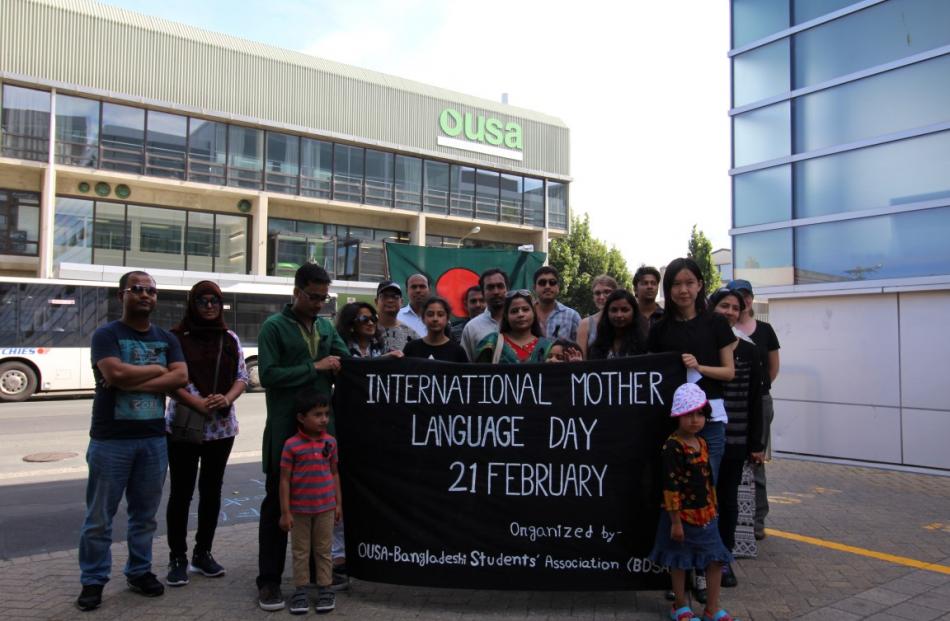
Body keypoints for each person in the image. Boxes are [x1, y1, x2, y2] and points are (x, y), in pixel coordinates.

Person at [76, 271, 188, 612]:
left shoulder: (166, 337)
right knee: (99, 517)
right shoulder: (106, 334)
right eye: (137, 289)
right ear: (122, 295)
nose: (145, 295)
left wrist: (133, 380)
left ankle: (139, 572)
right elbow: (114, 374)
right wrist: (157, 371)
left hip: (153, 439)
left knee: (145, 515)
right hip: (111, 440)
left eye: (151, 291)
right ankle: (93, 581)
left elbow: (181, 376)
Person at [256, 263, 349, 612]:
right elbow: (267, 375)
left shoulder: (326, 325)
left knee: (319, 507)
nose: (319, 304)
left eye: (324, 298)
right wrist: (316, 367)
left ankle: (314, 577)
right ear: (295, 292)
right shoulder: (274, 327)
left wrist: (386, 361)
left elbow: (347, 360)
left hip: (322, 436)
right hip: (284, 432)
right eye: (313, 297)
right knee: (277, 509)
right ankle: (268, 582)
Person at [649, 258, 736, 604]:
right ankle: (678, 575)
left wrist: (699, 366)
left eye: (689, 282)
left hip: (710, 422)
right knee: (674, 496)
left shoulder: (716, 324)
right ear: (668, 290)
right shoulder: (660, 327)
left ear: (700, 285)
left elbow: (729, 372)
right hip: (672, 426)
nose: (683, 290)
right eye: (675, 284)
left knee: (704, 495)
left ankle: (704, 572)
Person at [165, 281, 249, 587]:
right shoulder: (175, 338)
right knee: (181, 493)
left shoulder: (229, 338)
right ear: (192, 304)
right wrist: (196, 401)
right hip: (185, 423)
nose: (210, 306)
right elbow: (168, 380)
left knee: (211, 492)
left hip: (221, 427)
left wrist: (226, 398)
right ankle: (177, 557)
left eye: (215, 301)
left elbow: (242, 375)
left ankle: (203, 552)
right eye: (203, 301)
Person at [649, 383, 736, 621]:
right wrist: (675, 521)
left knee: (716, 560)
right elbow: (671, 486)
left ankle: (712, 608)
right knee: (679, 560)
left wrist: (713, 508)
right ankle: (679, 605)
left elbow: (709, 481)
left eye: (699, 414)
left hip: (706, 515)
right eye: (688, 414)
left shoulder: (703, 443)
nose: (695, 420)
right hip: (681, 517)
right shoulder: (673, 446)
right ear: (678, 416)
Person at [709, 287, 765, 589]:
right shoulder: (702, 344)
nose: (729, 311)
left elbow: (755, 398)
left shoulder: (750, 349)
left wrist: (756, 444)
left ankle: (723, 559)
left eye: (735, 307)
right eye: (723, 305)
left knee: (727, 502)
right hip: (703, 436)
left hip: (735, 439)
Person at [279, 389, 342, 615]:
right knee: (301, 551)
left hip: (325, 508)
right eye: (317, 414)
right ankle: (301, 590)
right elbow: (284, 480)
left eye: (326, 414)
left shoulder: (331, 442)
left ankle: (325, 588)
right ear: (301, 418)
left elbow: (334, 473)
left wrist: (338, 504)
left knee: (324, 550)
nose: (323, 419)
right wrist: (285, 512)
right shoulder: (292, 445)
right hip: (300, 510)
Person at [727, 279, 780, 541]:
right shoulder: (723, 330)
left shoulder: (765, 330)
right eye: (736, 296)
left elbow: (773, 367)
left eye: (745, 296)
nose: (742, 301)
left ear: (750, 299)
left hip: (759, 400)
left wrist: (758, 389)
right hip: (731, 403)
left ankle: (758, 520)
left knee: (756, 458)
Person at [474, 290, 554, 363]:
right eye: (514, 311)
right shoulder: (491, 342)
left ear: (533, 312)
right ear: (506, 316)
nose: (520, 314)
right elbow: (479, 374)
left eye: (525, 309)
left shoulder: (547, 346)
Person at [461, 268, 509, 361]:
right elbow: (465, 367)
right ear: (483, 293)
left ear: (507, 289)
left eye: (500, 286)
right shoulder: (472, 327)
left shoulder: (520, 322)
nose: (496, 292)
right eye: (490, 287)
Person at [403, 297, 469, 362]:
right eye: (430, 314)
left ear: (447, 319)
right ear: (423, 318)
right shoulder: (411, 348)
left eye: (440, 315)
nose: (435, 319)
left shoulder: (458, 351)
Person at [588, 289, 645, 359]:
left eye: (624, 310)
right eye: (614, 310)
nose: (619, 315)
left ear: (634, 312)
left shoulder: (644, 345)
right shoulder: (597, 347)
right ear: (607, 313)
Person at [336, 301, 404, 359]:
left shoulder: (381, 345)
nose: (371, 323)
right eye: (364, 319)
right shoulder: (340, 347)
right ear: (350, 324)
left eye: (373, 319)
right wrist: (382, 359)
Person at [532, 266, 580, 341]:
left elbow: (580, 349)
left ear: (558, 287)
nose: (547, 286)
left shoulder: (572, 316)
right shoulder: (525, 314)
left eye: (552, 282)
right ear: (534, 288)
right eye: (542, 283)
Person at [576, 274, 617, 358]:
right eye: (597, 293)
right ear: (593, 297)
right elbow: (581, 360)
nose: (601, 297)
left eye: (607, 292)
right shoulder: (585, 324)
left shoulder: (627, 320)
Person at [375, 280, 419, 353]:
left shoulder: (411, 335)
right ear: (376, 301)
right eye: (385, 296)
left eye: (395, 296)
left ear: (401, 302)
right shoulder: (366, 329)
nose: (390, 300)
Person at [634, 266, 664, 344]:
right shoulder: (629, 317)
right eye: (645, 283)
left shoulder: (667, 317)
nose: (650, 286)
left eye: (653, 283)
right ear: (635, 290)